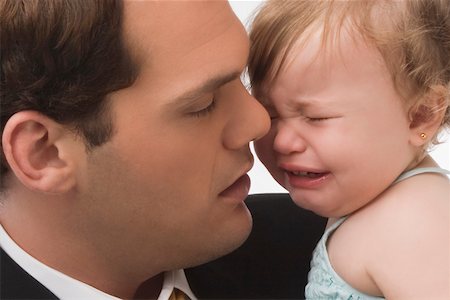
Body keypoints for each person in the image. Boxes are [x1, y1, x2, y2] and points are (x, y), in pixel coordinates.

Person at [0, 0, 278, 299]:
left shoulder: (321, 253)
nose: (258, 121)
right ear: (45, 154)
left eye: (243, 79)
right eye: (203, 105)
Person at [247, 0, 450, 299]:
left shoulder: (414, 221)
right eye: (270, 113)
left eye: (317, 118)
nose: (282, 141)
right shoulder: (376, 201)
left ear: (420, 116)